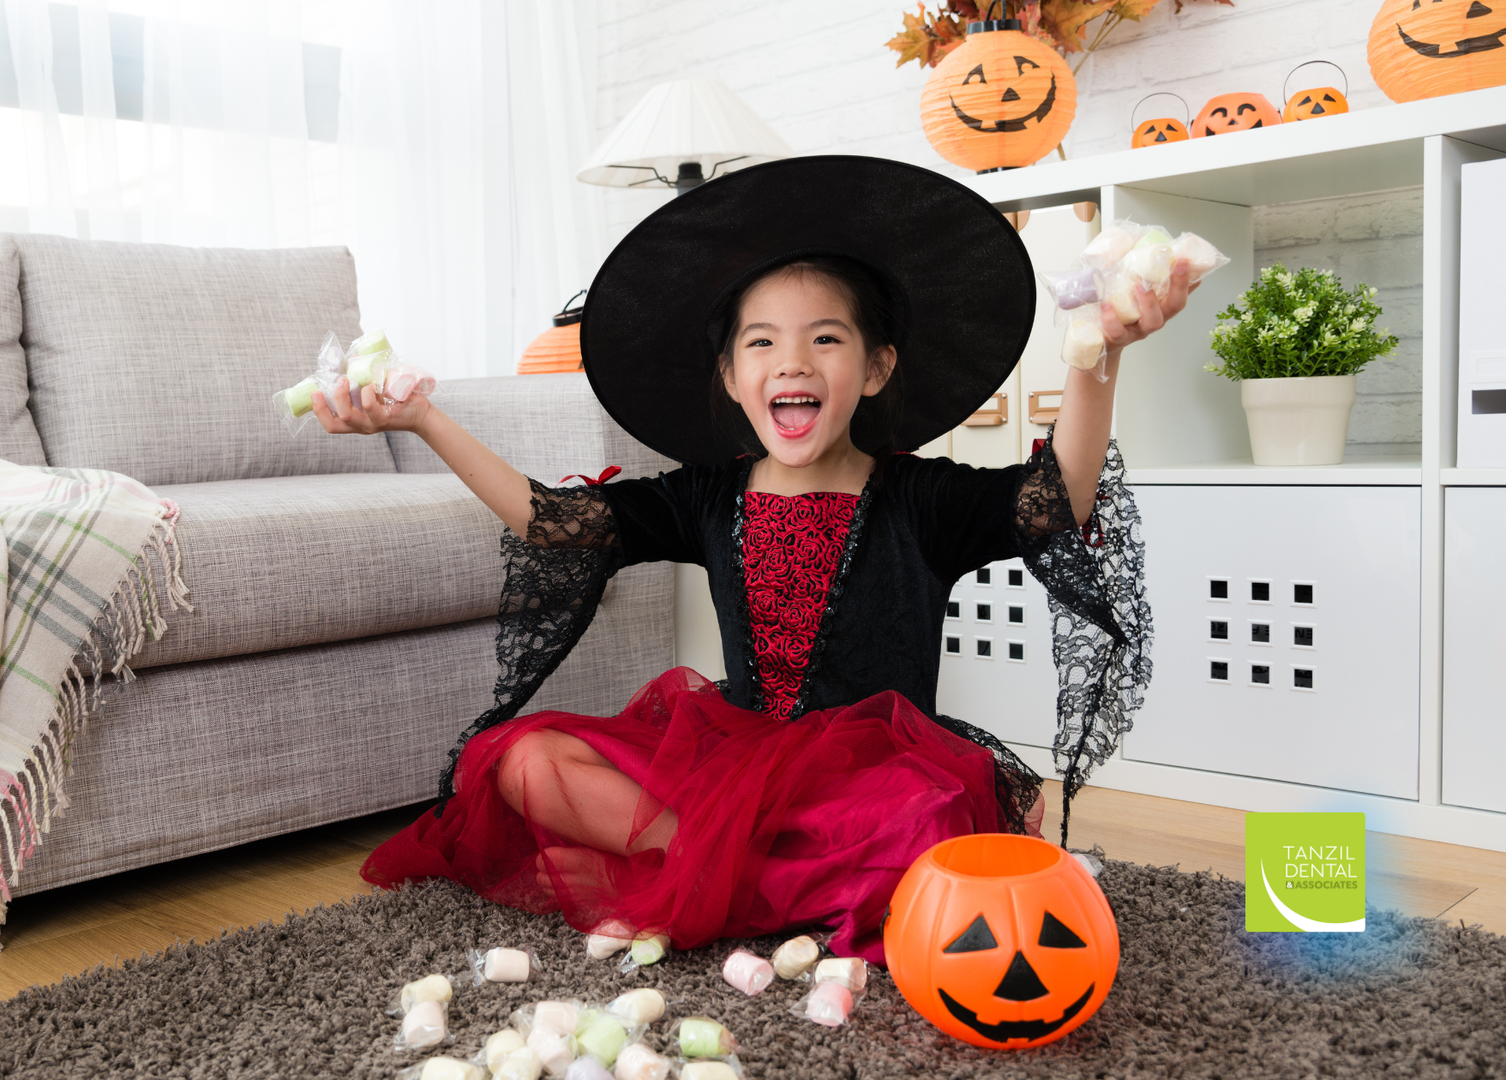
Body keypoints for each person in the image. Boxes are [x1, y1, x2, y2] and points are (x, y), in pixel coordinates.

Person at [313, 156, 1178, 964]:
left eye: (826, 340)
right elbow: (553, 522)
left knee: (928, 819)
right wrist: (424, 421)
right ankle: (735, 871)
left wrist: (1098, 353)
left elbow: (1059, 499)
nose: (791, 361)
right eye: (761, 342)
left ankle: (712, 879)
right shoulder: (706, 497)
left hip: (874, 777)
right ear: (730, 375)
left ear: (876, 368)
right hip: (728, 768)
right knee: (523, 761)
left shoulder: (926, 499)